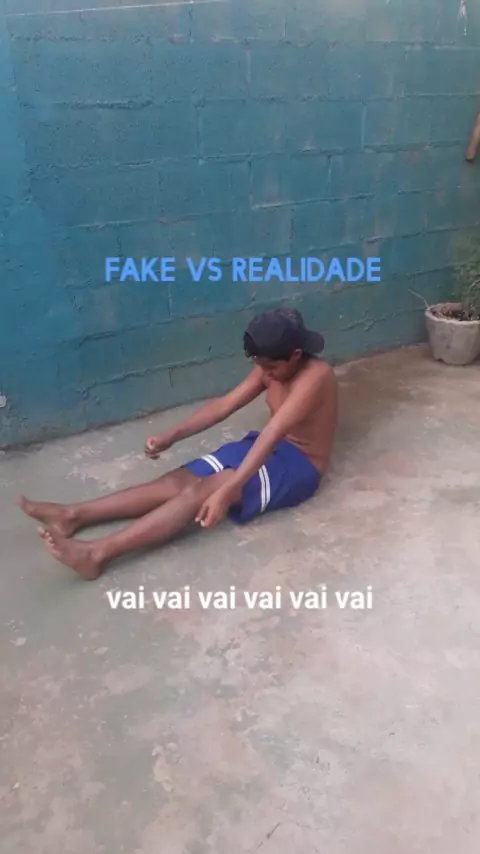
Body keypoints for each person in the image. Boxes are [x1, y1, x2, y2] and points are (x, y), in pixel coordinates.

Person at [18, 308, 338, 580]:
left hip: (298, 465)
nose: (265, 374)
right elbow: (224, 405)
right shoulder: (272, 365)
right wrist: (172, 435)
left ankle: (97, 553)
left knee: (205, 490)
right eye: (261, 366)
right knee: (176, 482)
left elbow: (274, 432)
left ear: (296, 354)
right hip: (264, 445)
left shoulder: (316, 377)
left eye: (271, 368)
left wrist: (230, 488)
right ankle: (74, 515)